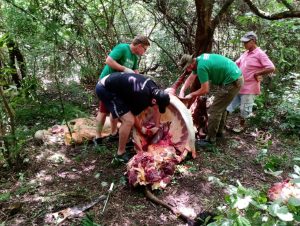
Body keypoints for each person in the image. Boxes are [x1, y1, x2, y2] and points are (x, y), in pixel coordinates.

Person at [95, 72, 170, 162]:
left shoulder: (155, 89)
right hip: (105, 88)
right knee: (128, 120)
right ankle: (120, 154)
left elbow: (156, 109)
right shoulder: (142, 97)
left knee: (120, 112)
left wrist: (157, 127)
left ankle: (114, 135)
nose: (158, 108)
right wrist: (143, 130)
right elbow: (133, 117)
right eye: (159, 106)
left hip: (115, 86)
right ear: (153, 101)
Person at [94, 35, 150, 144]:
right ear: (139, 46)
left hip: (119, 87)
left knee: (115, 111)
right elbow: (109, 60)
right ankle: (97, 137)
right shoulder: (122, 48)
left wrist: (141, 80)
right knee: (103, 111)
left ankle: (114, 134)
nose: (144, 52)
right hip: (106, 85)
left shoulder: (134, 57)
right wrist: (124, 69)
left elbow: (135, 71)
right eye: (145, 49)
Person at [179, 53, 244, 146]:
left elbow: (205, 89)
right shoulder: (199, 59)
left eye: (188, 68)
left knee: (214, 111)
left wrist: (191, 94)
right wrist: (182, 90)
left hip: (232, 82)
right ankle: (219, 133)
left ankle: (210, 140)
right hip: (234, 78)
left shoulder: (201, 67)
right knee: (221, 107)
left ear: (191, 64)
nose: (188, 70)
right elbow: (191, 77)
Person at [226, 31, 275, 132]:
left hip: (250, 87)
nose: (244, 44)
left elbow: (271, 67)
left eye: (246, 42)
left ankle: (241, 126)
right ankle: (221, 123)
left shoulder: (260, 54)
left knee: (245, 109)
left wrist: (257, 74)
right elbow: (236, 63)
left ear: (253, 41)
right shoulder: (246, 53)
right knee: (228, 104)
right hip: (238, 85)